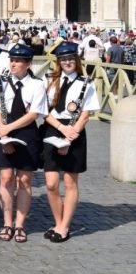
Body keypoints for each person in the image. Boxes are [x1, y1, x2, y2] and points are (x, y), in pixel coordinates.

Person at [0, 44, 47, 244]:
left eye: (18, 61)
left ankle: (20, 224)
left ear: (28, 64)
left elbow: (33, 115)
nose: (13, 64)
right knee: (5, 179)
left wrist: (9, 128)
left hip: (26, 133)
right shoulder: (1, 83)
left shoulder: (37, 84)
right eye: (11, 60)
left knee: (24, 180)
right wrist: (3, 133)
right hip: (3, 130)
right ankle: (7, 222)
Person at [42, 42, 99, 243]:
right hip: (54, 127)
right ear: (58, 62)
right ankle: (57, 221)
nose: (68, 62)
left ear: (77, 60)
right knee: (50, 184)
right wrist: (61, 129)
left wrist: (70, 134)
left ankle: (64, 226)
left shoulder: (86, 82)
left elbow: (86, 114)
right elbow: (44, 111)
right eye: (64, 59)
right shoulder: (49, 80)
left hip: (75, 131)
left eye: (71, 59)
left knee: (69, 181)